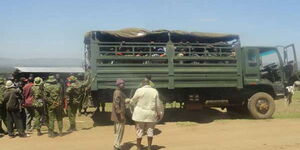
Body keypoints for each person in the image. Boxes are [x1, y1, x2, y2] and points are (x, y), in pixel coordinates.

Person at [128, 78, 164, 150]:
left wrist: (129, 101)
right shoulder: (154, 91)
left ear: (142, 83)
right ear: (149, 83)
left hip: (139, 115)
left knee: (139, 131)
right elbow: (158, 104)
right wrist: (159, 113)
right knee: (150, 131)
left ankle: (138, 147)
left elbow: (133, 101)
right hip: (151, 114)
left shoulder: (139, 90)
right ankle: (149, 147)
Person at [111, 79, 127, 150]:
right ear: (118, 85)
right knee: (119, 130)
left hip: (118, 114)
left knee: (118, 130)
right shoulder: (118, 92)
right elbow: (116, 104)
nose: (123, 85)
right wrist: (121, 114)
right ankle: (117, 145)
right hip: (119, 115)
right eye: (122, 84)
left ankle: (117, 144)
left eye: (124, 84)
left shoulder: (119, 92)